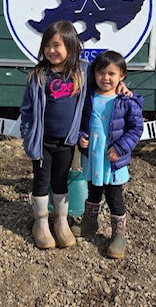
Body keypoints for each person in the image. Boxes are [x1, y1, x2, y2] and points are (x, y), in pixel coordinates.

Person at [20, 22, 131, 250]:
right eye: (48, 46)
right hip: (42, 142)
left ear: (71, 46)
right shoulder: (38, 75)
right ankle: (40, 223)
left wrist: (122, 85)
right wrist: (27, 133)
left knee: (61, 180)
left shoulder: (82, 72)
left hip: (67, 141)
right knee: (41, 182)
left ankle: (61, 221)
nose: (52, 51)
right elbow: (27, 109)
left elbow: (105, 77)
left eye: (57, 45)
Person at [72, 50, 144, 259]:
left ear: (122, 75)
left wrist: (120, 148)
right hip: (94, 156)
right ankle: (89, 223)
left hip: (113, 160)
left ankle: (119, 235)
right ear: (94, 75)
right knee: (93, 190)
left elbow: (135, 129)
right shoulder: (88, 98)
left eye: (112, 74)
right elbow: (78, 122)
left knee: (114, 196)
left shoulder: (127, 101)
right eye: (101, 73)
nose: (106, 78)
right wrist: (80, 136)